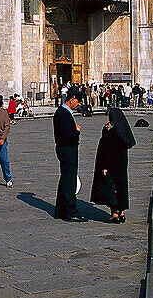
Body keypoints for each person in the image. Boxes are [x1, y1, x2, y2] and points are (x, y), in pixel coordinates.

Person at [91, 107, 136, 223]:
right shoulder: (124, 132)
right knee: (121, 187)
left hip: (111, 165)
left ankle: (114, 214)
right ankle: (122, 213)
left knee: (111, 188)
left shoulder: (112, 133)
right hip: (122, 165)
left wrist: (105, 167)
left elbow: (107, 150)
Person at [54, 88, 84, 221]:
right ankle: (71, 211)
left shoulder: (62, 112)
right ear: (71, 99)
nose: (79, 104)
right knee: (69, 180)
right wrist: (76, 131)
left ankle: (61, 210)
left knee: (65, 178)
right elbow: (66, 136)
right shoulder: (64, 113)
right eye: (78, 101)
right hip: (67, 149)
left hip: (64, 149)